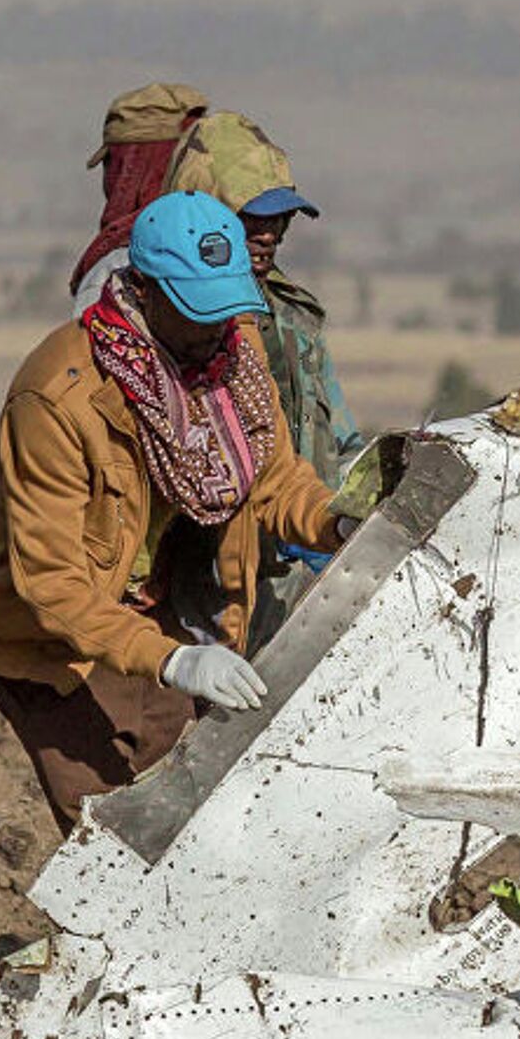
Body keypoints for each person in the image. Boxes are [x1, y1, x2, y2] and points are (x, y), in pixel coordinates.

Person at [0, 192, 350, 830]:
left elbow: (275, 478)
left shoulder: (231, 359)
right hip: (59, 652)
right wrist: (174, 661)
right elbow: (51, 584)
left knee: (188, 826)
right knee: (109, 845)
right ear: (144, 291)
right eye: (197, 312)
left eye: (225, 311)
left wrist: (338, 522)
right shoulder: (58, 398)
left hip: (159, 614)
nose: (214, 331)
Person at [163, 109, 364, 643]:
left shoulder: (290, 314)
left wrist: (343, 513)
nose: (268, 235)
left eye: (279, 220)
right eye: (250, 220)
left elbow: (335, 434)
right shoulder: (170, 322)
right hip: (204, 582)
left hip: (297, 565)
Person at [70, 82, 208, 306]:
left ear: (130, 169)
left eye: (113, 164)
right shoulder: (225, 247)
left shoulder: (120, 265)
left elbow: (89, 338)